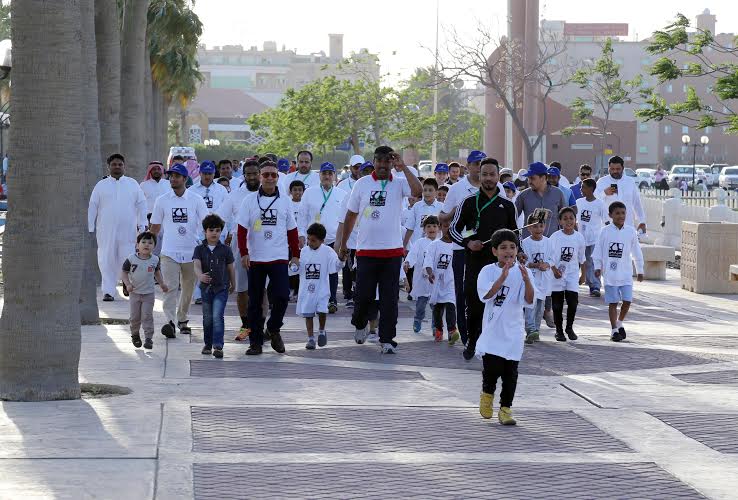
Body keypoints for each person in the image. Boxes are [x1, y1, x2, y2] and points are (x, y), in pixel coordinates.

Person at [338, 146, 422, 353]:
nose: (383, 165)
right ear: (374, 161)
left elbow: (418, 192)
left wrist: (403, 167)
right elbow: (350, 216)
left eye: (388, 161)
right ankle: (360, 324)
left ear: (392, 163)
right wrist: (343, 244)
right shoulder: (362, 184)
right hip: (366, 251)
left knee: (389, 300)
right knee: (363, 296)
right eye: (379, 161)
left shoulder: (400, 183)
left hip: (392, 253)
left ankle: (387, 339)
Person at [449, 157, 518, 359]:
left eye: (492, 174)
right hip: (475, 263)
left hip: (501, 265)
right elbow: (454, 228)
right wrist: (469, 242)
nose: (488, 178)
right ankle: (472, 340)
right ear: (479, 175)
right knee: (475, 303)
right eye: (484, 174)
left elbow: (516, 234)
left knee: (501, 304)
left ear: (498, 176)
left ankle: (496, 345)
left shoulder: (507, 205)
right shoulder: (468, 202)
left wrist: (518, 253)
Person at [236, 161, 301, 355]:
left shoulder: (285, 201)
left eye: (273, 175)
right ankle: (255, 342)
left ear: (278, 178)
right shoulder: (249, 200)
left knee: (282, 296)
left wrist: (295, 255)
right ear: (260, 177)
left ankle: (273, 328)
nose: (270, 178)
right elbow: (241, 230)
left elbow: (292, 230)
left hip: (279, 257)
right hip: (255, 258)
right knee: (254, 302)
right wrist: (244, 252)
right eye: (266, 175)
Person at [476, 229, 536, 426]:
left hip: (514, 330)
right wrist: (502, 277)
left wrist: (527, 280)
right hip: (494, 330)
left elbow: (528, 300)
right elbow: (486, 296)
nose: (508, 251)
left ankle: (506, 409)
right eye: (503, 248)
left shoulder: (522, 272)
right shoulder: (487, 271)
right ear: (494, 251)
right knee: (492, 369)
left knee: (511, 372)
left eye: (512, 247)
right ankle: (487, 394)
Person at [150, 163, 209, 338]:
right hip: (169, 252)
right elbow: (154, 227)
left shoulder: (196, 199)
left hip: (191, 252)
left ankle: (182, 319)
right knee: (169, 288)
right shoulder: (162, 200)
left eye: (177, 176)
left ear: (185, 179)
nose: (173, 179)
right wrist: (146, 249)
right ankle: (169, 322)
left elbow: (206, 223)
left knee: (188, 289)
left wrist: (208, 245)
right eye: (171, 176)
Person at [439, 150, 489, 346]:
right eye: (476, 163)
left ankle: (483, 333)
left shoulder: (497, 187)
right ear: (467, 166)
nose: (480, 167)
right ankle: (466, 334)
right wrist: (458, 210)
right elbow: (442, 218)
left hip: (487, 249)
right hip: (462, 248)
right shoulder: (457, 189)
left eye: (483, 163)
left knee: (485, 292)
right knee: (462, 292)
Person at [88, 153, 148, 301]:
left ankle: (126, 284)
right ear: (108, 167)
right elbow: (93, 206)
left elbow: (141, 204)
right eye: (114, 164)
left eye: (120, 164)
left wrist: (142, 224)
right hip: (106, 230)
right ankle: (108, 291)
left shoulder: (132, 184)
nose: (117, 167)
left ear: (124, 166)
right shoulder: (101, 185)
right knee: (106, 259)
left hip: (127, 229)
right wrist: (90, 226)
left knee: (127, 257)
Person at [217, 159, 260, 340]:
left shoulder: (271, 194)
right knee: (242, 289)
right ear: (243, 175)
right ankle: (245, 325)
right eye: (248, 174)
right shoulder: (234, 196)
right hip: (240, 246)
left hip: (264, 247)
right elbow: (220, 218)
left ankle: (259, 326)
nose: (251, 177)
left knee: (262, 291)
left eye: (254, 173)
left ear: (260, 174)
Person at [298, 162, 347, 313]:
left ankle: (331, 300)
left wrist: (343, 240)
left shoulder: (341, 194)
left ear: (334, 176)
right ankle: (312, 299)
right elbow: (302, 215)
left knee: (332, 271)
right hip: (313, 240)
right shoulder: (309, 192)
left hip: (333, 239)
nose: (327, 176)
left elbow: (345, 218)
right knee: (314, 271)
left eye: (330, 174)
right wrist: (301, 234)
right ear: (319, 175)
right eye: (324, 173)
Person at [593, 201, 644, 342]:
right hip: (610, 275)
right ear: (610, 215)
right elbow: (597, 251)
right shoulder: (605, 231)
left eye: (623, 213)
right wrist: (597, 267)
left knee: (627, 301)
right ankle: (614, 330)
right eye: (617, 213)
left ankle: (620, 322)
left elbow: (636, 252)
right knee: (613, 303)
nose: (620, 216)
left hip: (626, 273)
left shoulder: (630, 231)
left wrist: (640, 269)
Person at [193, 214, 235, 359]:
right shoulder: (199, 249)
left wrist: (233, 283)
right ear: (205, 231)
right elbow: (196, 265)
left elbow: (230, 267)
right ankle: (207, 344)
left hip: (221, 288)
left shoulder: (226, 250)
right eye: (211, 230)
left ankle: (218, 345)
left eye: (217, 230)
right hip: (206, 289)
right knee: (207, 317)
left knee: (217, 316)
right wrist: (199, 275)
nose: (214, 233)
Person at [335, 161, 376, 309]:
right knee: (352, 270)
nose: (368, 174)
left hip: (371, 242)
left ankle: (365, 296)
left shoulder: (379, 193)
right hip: (353, 241)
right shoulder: (351, 194)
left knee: (366, 272)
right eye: (365, 172)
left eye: (371, 171)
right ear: (359, 174)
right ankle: (352, 295)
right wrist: (339, 243)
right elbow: (341, 220)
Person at [297, 223, 344, 350]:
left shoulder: (328, 252)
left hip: (322, 288)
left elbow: (335, 267)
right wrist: (293, 265)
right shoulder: (303, 252)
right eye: (308, 239)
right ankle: (310, 338)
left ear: (322, 241)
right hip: (307, 289)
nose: (310, 242)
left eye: (313, 240)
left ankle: (322, 330)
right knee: (308, 314)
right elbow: (297, 268)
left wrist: (341, 259)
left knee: (322, 311)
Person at [121, 231, 169, 350]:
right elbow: (124, 272)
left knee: (147, 315)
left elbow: (157, 272)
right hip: (135, 293)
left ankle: (148, 338)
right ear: (137, 245)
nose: (146, 245)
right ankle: (135, 335)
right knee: (135, 317)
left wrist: (162, 283)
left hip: (148, 294)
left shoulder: (155, 260)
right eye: (143, 242)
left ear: (154, 246)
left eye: (150, 243)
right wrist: (127, 284)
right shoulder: (131, 259)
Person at [548, 207, 586, 342]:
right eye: (565, 218)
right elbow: (549, 257)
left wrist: (583, 274)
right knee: (557, 305)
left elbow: (582, 258)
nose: (568, 221)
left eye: (571, 218)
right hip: (557, 274)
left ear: (575, 220)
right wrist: (554, 270)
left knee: (573, 302)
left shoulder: (579, 237)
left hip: (572, 274)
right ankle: (559, 331)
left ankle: (569, 328)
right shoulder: (555, 237)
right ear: (560, 221)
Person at [424, 219, 460, 345]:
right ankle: (439, 330)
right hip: (436, 282)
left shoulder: (457, 246)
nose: (448, 229)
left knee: (451, 306)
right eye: (445, 226)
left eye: (451, 227)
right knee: (438, 309)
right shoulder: (434, 245)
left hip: (450, 281)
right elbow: (428, 260)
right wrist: (430, 273)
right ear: (440, 227)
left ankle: (452, 331)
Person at [515, 162, 568, 238]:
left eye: (532, 178)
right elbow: (513, 217)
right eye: (528, 178)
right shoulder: (523, 195)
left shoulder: (558, 194)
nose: (529, 182)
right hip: (529, 246)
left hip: (552, 244)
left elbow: (564, 218)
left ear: (543, 178)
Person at [405, 215, 439, 333]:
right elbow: (413, 255)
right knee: (421, 305)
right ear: (424, 229)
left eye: (434, 226)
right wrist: (408, 262)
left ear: (438, 228)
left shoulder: (441, 243)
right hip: (422, 280)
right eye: (428, 226)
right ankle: (418, 319)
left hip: (435, 280)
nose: (432, 228)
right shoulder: (420, 243)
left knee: (435, 305)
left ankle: (436, 327)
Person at [594, 155, 646, 232]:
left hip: (627, 225)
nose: (615, 171)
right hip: (608, 225)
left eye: (618, 169)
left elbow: (636, 203)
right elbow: (594, 200)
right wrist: (604, 193)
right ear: (608, 169)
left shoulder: (630, 182)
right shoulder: (602, 182)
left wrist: (642, 221)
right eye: (612, 169)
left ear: (623, 168)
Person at [521, 215, 552, 344]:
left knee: (539, 306)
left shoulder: (549, 242)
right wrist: (535, 265)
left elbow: (553, 257)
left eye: (541, 226)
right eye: (534, 226)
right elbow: (523, 261)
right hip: (530, 279)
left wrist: (547, 264)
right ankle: (530, 330)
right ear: (529, 228)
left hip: (544, 279)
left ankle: (536, 330)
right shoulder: (524, 243)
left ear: (544, 226)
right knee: (530, 304)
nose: (538, 229)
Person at [576, 178, 606, 297]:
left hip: (594, 238)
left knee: (593, 261)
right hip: (580, 237)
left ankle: (595, 286)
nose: (581, 189)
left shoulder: (600, 204)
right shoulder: (578, 202)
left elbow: (606, 220)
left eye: (583, 187)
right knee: (583, 260)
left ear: (591, 189)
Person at [402, 178, 443, 249]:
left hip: (436, 247)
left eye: (430, 190)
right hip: (417, 247)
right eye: (425, 190)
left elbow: (445, 228)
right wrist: (404, 246)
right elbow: (409, 228)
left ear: (436, 192)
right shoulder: (417, 206)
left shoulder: (442, 207)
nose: (427, 193)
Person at [288, 180, 306, 301]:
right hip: (288, 240)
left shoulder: (305, 205)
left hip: (302, 240)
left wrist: (302, 236)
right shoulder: (287, 204)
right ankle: (291, 289)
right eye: (295, 190)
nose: (297, 192)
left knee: (301, 266)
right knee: (290, 266)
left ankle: (299, 290)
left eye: (300, 190)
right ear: (291, 191)